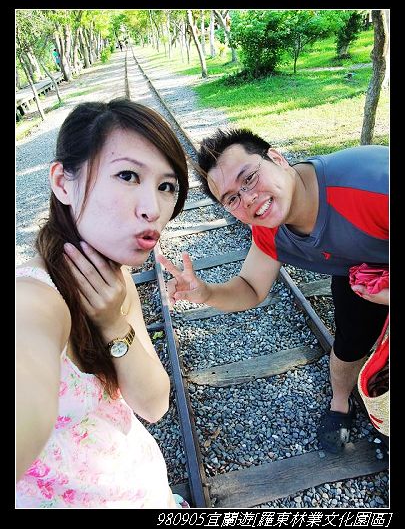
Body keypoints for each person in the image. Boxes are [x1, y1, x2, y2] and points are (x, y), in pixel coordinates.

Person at [158, 128, 388, 454]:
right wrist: (205, 293)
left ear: (277, 159)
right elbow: (251, 287)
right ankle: (340, 403)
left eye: (249, 178)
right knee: (350, 342)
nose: (248, 199)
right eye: (232, 199)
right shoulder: (269, 227)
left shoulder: (372, 186)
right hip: (362, 271)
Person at [16, 98, 190, 508]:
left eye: (166, 187)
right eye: (128, 175)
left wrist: (113, 324)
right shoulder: (33, 299)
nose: (153, 209)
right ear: (63, 183)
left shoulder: (114, 280)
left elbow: (154, 404)